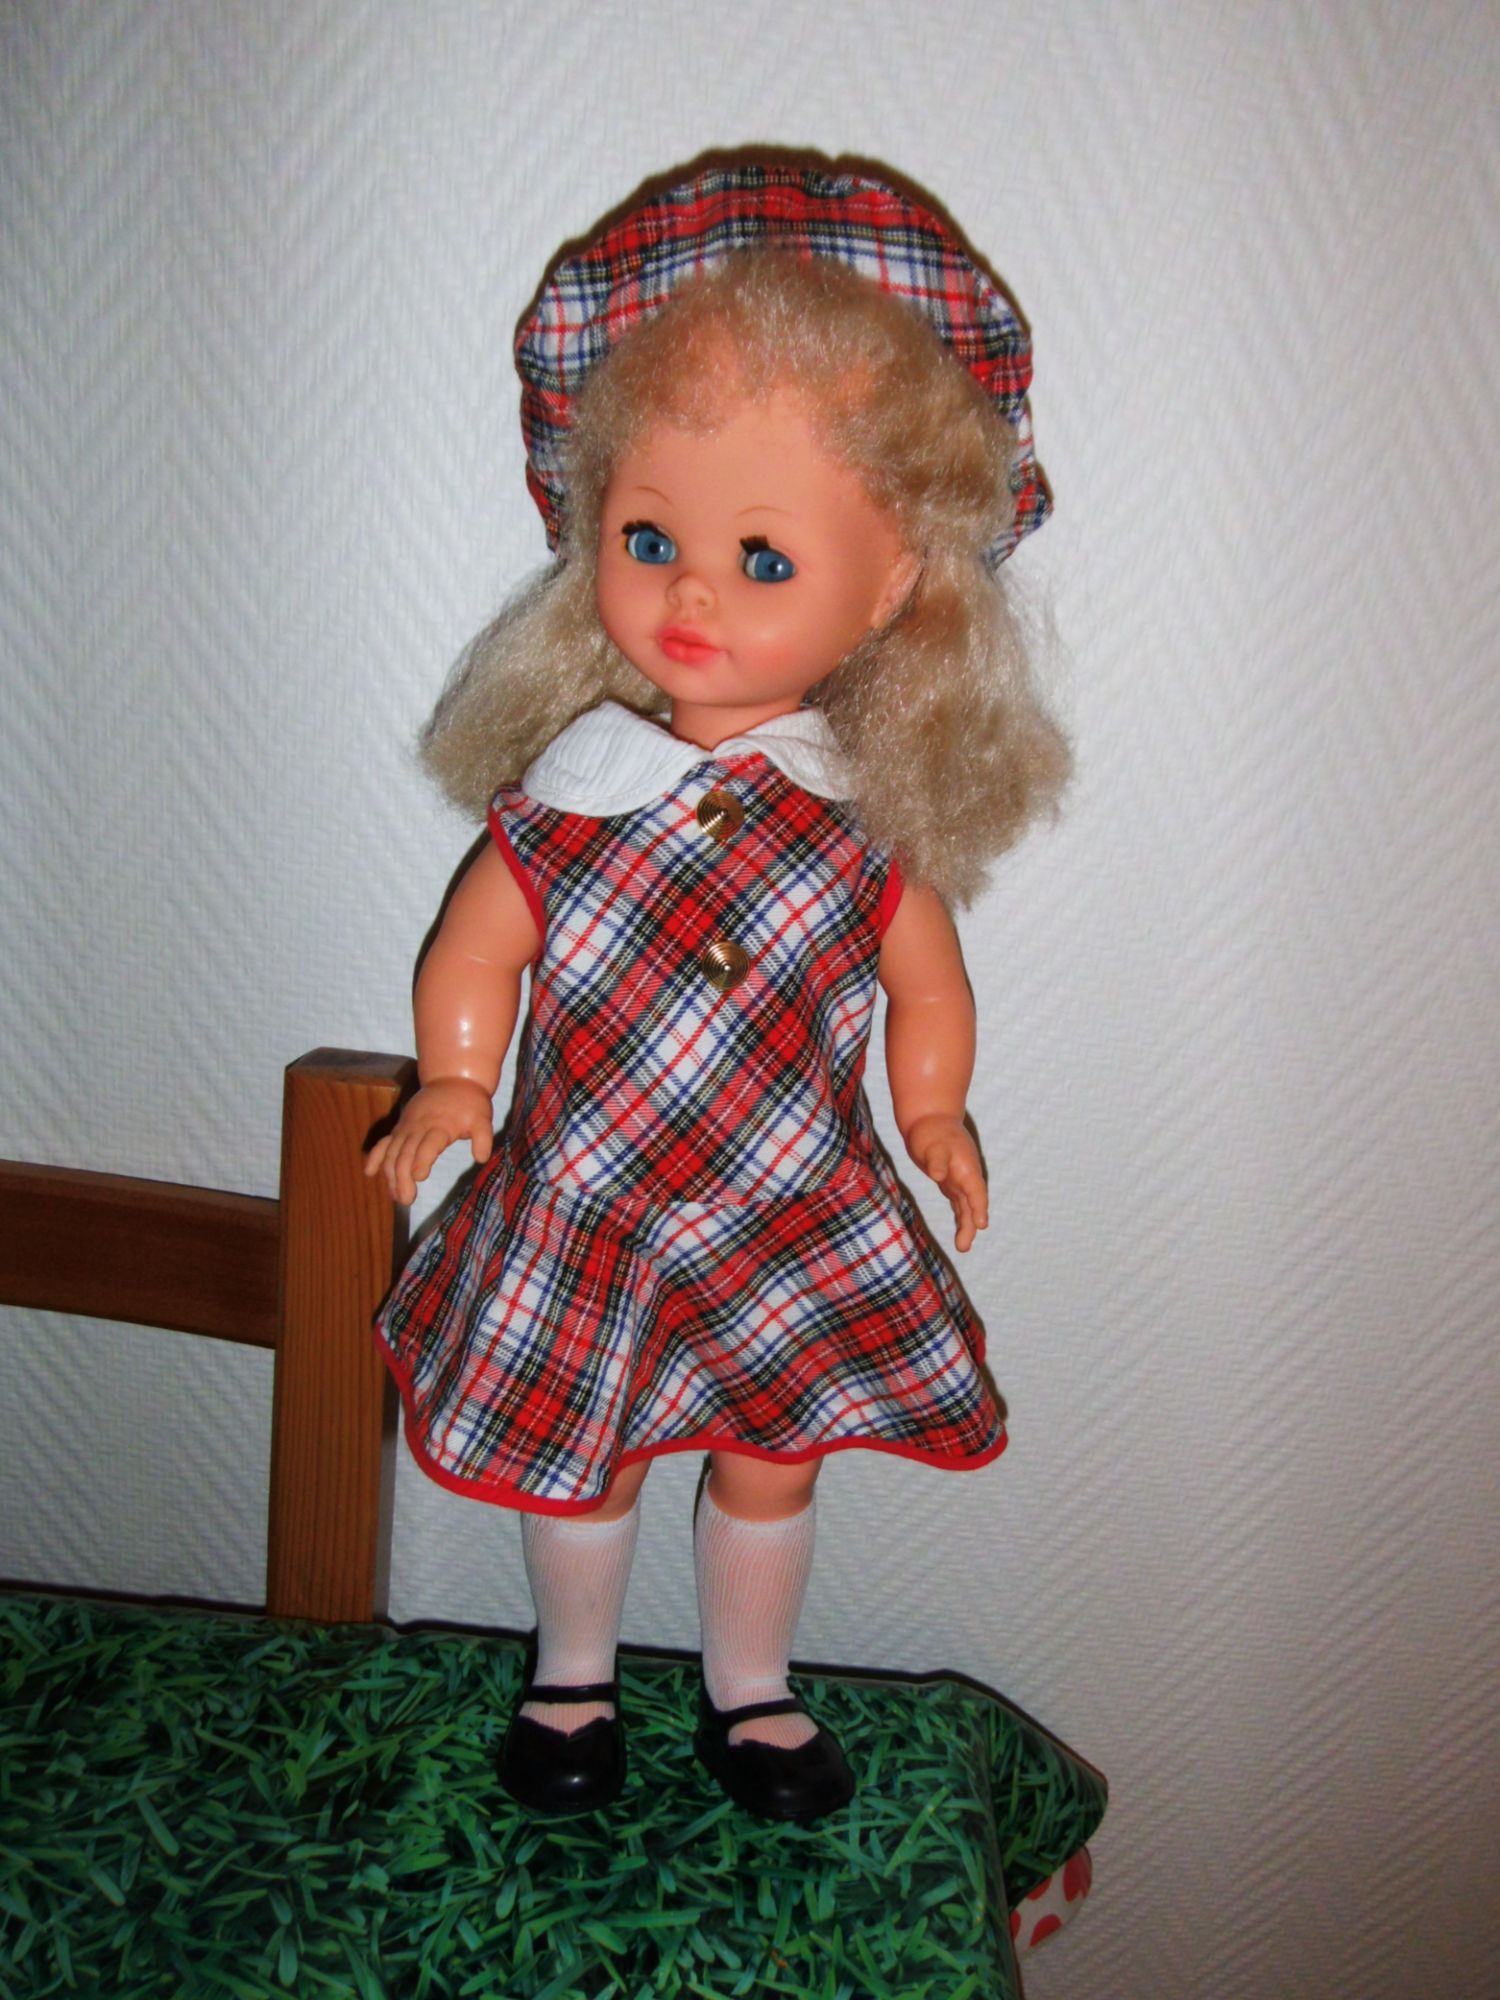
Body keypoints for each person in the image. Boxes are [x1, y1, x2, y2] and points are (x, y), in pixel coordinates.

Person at [366, 161, 1068, 1824]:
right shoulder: (571, 807)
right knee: (588, 1448)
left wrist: (935, 1110)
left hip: (787, 1206)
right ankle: (574, 1674)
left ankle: (752, 1687)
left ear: (890, 589)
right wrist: (455, 1079)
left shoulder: (858, 829)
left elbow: (925, 983)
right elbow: (478, 949)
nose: (690, 593)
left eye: (762, 556)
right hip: (589, 1202)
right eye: (651, 539)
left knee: (773, 1449)